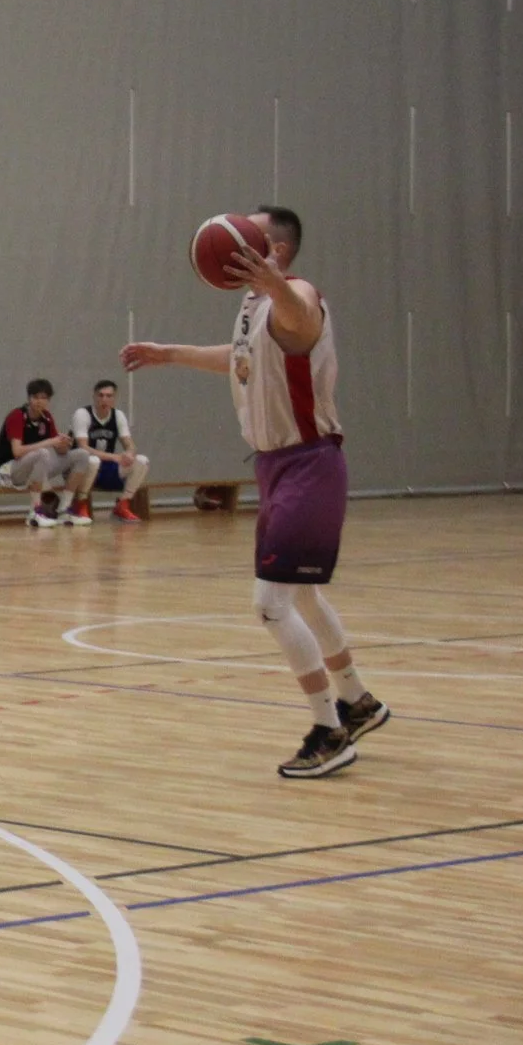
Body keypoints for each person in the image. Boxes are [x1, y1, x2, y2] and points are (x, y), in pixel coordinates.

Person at [124, 206, 386, 779]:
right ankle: (357, 700)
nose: (239, 235)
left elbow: (302, 316)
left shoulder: (296, 294)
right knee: (303, 596)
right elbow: (242, 358)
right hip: (276, 466)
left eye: (252, 232)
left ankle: (329, 731)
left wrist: (278, 285)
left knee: (271, 605)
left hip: (309, 464)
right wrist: (171, 354)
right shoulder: (254, 306)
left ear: (276, 250)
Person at [0, 378, 97, 527]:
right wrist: (49, 442)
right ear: (29, 398)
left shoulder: (46, 417)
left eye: (43, 398)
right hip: (7, 471)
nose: (39, 401)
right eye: (35, 397)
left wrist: (64, 444)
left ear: (48, 400)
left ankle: (63, 510)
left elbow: (58, 449)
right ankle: (35, 512)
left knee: (82, 455)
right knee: (42, 453)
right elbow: (17, 452)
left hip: (33, 467)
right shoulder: (17, 416)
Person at [71, 378, 150, 522]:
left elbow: (129, 444)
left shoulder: (118, 415)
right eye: (100, 395)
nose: (104, 400)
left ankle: (123, 504)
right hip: (81, 468)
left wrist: (129, 453)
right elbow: (83, 447)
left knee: (142, 460)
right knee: (93, 460)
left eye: (109, 396)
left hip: (106, 468)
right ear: (94, 396)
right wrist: (114, 457)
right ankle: (80, 504)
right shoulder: (83, 414)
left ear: (114, 398)